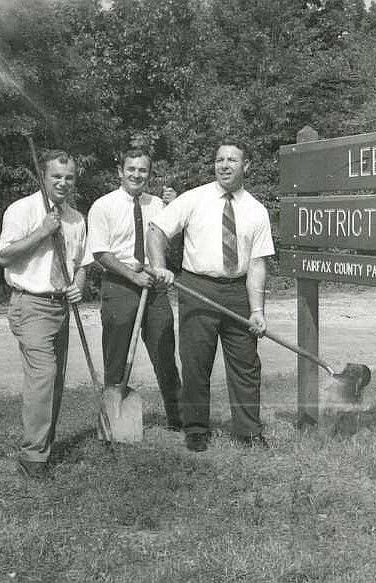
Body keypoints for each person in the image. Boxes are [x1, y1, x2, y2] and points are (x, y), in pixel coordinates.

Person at [147, 139, 275, 452]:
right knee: (195, 363)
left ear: (246, 166)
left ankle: (248, 432)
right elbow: (156, 230)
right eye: (220, 159)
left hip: (237, 292)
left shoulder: (256, 211)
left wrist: (257, 310)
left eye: (232, 160)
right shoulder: (194, 199)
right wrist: (160, 266)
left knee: (246, 365)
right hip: (197, 288)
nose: (225, 165)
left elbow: (258, 264)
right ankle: (196, 431)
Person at [0, 149, 93, 480]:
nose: (63, 183)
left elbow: (81, 264)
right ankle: (33, 459)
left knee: (55, 381)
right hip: (30, 303)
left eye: (69, 177)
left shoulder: (77, 219)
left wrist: (78, 286)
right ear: (43, 177)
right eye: (56, 176)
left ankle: (43, 447)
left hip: (60, 306)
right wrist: (41, 232)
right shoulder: (21, 210)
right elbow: (4, 257)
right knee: (43, 377)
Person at [86, 147, 182, 430]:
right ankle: (113, 424)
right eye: (131, 169)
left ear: (149, 174)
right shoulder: (103, 206)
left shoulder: (158, 205)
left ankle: (178, 419)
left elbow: (170, 243)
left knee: (164, 352)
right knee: (116, 357)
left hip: (154, 288)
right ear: (120, 171)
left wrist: (175, 209)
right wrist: (132, 276)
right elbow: (101, 253)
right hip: (119, 287)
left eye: (143, 170)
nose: (137, 174)